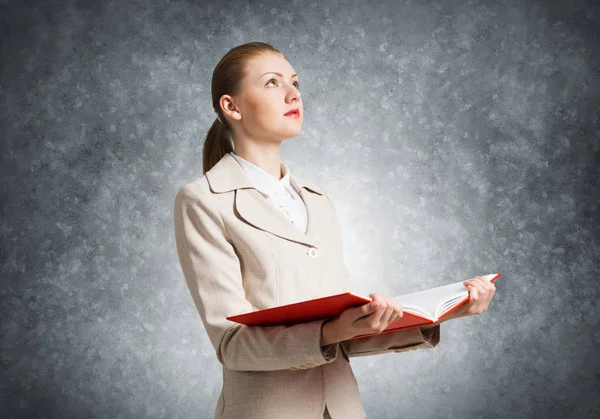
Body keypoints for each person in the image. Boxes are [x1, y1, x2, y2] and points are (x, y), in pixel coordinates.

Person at [173, 41, 496, 419]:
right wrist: (329, 332)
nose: (294, 94)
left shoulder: (317, 200)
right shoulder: (203, 200)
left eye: (295, 82)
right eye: (273, 83)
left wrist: (439, 314)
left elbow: (344, 336)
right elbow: (232, 346)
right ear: (232, 106)